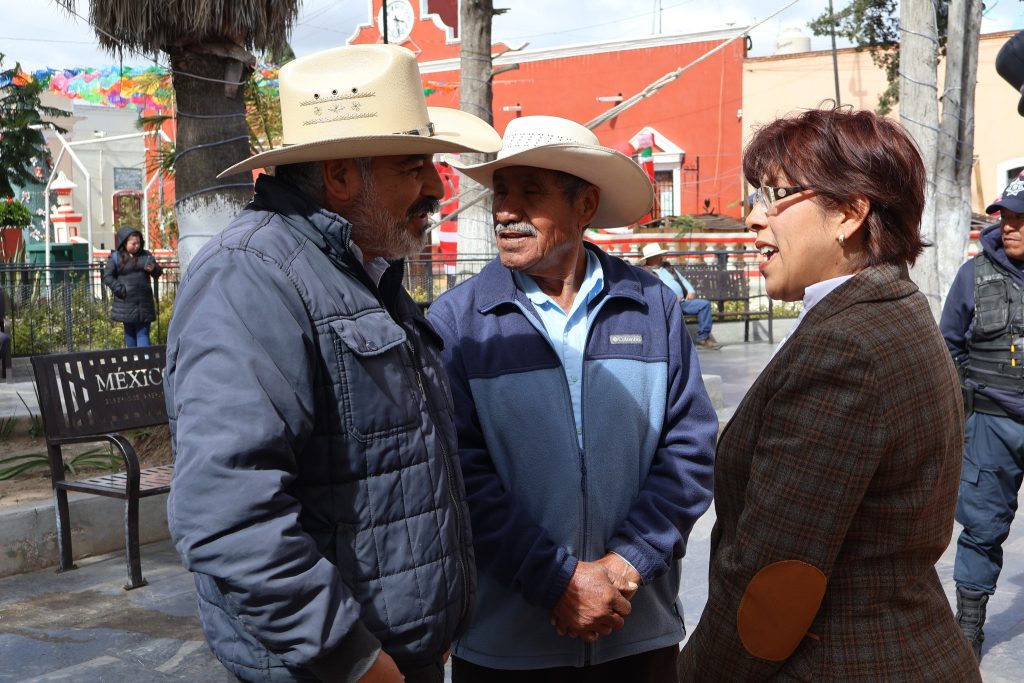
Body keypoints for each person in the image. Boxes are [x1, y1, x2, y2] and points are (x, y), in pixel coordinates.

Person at [164, 45, 501, 683]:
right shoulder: (251, 276)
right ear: (341, 177)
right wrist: (356, 659)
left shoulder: (360, 271)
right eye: (414, 166)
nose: (436, 187)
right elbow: (227, 513)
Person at [678, 106, 981, 681]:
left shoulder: (846, 348)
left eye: (774, 195)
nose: (753, 218)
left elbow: (774, 579)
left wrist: (695, 673)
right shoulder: (889, 309)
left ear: (848, 213)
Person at [427, 115, 717, 682]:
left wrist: (628, 562)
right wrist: (556, 581)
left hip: (636, 630)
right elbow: (458, 474)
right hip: (505, 644)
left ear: (585, 206)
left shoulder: (650, 306)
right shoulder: (458, 322)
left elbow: (690, 449)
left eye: (530, 192)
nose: (505, 211)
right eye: (501, 192)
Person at [940, 172, 1024, 661]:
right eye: (1006, 217)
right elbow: (948, 345)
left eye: (1020, 219)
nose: (1009, 226)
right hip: (992, 423)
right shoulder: (973, 276)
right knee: (983, 527)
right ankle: (968, 629)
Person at [640, 243, 720, 349]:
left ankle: (703, 338)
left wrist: (690, 291)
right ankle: (672, 343)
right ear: (651, 258)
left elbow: (682, 279)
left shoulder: (668, 268)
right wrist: (670, 298)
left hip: (682, 303)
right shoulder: (645, 273)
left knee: (704, 304)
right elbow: (651, 291)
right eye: (658, 255)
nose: (661, 257)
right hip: (665, 306)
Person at [102, 227, 162, 347]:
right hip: (126, 302)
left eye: (138, 243)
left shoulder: (146, 255)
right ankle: (134, 358)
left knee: (143, 333)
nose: (137, 246)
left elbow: (158, 273)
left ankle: (144, 358)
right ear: (124, 243)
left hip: (144, 303)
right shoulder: (116, 257)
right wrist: (119, 289)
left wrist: (154, 269)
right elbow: (107, 277)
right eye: (133, 243)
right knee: (129, 333)